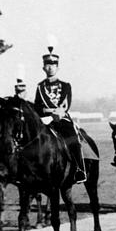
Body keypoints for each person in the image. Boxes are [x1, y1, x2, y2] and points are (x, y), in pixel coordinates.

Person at [33, 46, 86, 183]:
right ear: (43, 68)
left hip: (61, 119)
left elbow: (65, 106)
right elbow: (37, 105)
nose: (50, 67)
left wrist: (50, 112)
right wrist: (44, 115)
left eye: (53, 65)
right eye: (47, 65)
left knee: (73, 138)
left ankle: (79, 170)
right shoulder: (40, 87)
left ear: (58, 68)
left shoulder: (65, 86)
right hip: (45, 121)